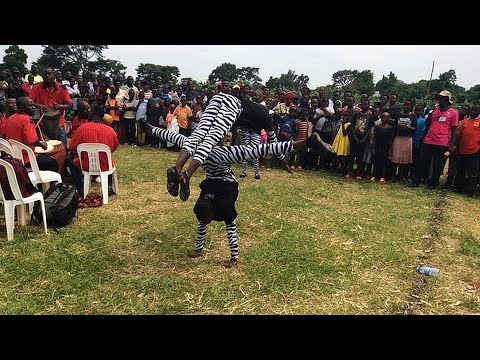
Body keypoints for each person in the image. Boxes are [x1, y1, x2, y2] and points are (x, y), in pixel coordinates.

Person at [142, 120, 308, 268]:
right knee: (203, 214)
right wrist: (302, 143)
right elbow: (263, 149)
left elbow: (171, 136)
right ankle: (199, 248)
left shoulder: (195, 147)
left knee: (228, 220)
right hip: (211, 184)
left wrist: (150, 128)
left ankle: (234, 257)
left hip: (226, 188)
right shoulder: (226, 153)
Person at [166, 82, 293, 202]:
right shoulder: (267, 120)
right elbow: (274, 144)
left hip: (218, 99)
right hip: (234, 105)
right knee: (211, 138)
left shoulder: (258, 109)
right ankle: (187, 174)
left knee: (199, 133)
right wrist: (283, 162)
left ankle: (176, 169)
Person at [67, 103, 119, 197]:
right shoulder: (110, 131)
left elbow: (71, 146)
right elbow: (113, 147)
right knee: (110, 160)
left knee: (71, 162)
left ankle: (80, 188)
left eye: (90, 110)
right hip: (105, 165)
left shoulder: (82, 128)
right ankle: (109, 185)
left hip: (86, 165)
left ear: (93, 114)